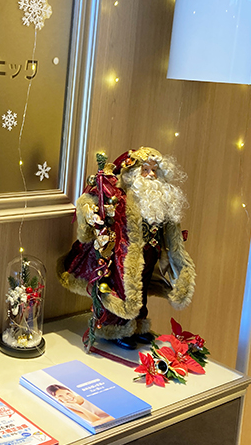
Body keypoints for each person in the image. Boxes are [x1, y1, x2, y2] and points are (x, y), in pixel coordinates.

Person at [58, 148, 195, 349]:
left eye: (154, 170)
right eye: (145, 170)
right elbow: (92, 200)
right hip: (123, 254)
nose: (151, 175)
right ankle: (115, 329)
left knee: (141, 289)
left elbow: (169, 231)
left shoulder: (161, 200)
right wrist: (89, 212)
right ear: (133, 173)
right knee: (121, 289)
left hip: (150, 254)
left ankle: (138, 325)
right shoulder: (120, 197)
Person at [46, 384, 113, 425]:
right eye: (60, 396)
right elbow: (95, 420)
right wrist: (76, 405)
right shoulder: (70, 408)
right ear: (57, 399)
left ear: (71, 391)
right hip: (103, 423)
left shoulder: (86, 395)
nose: (67, 397)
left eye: (68, 393)